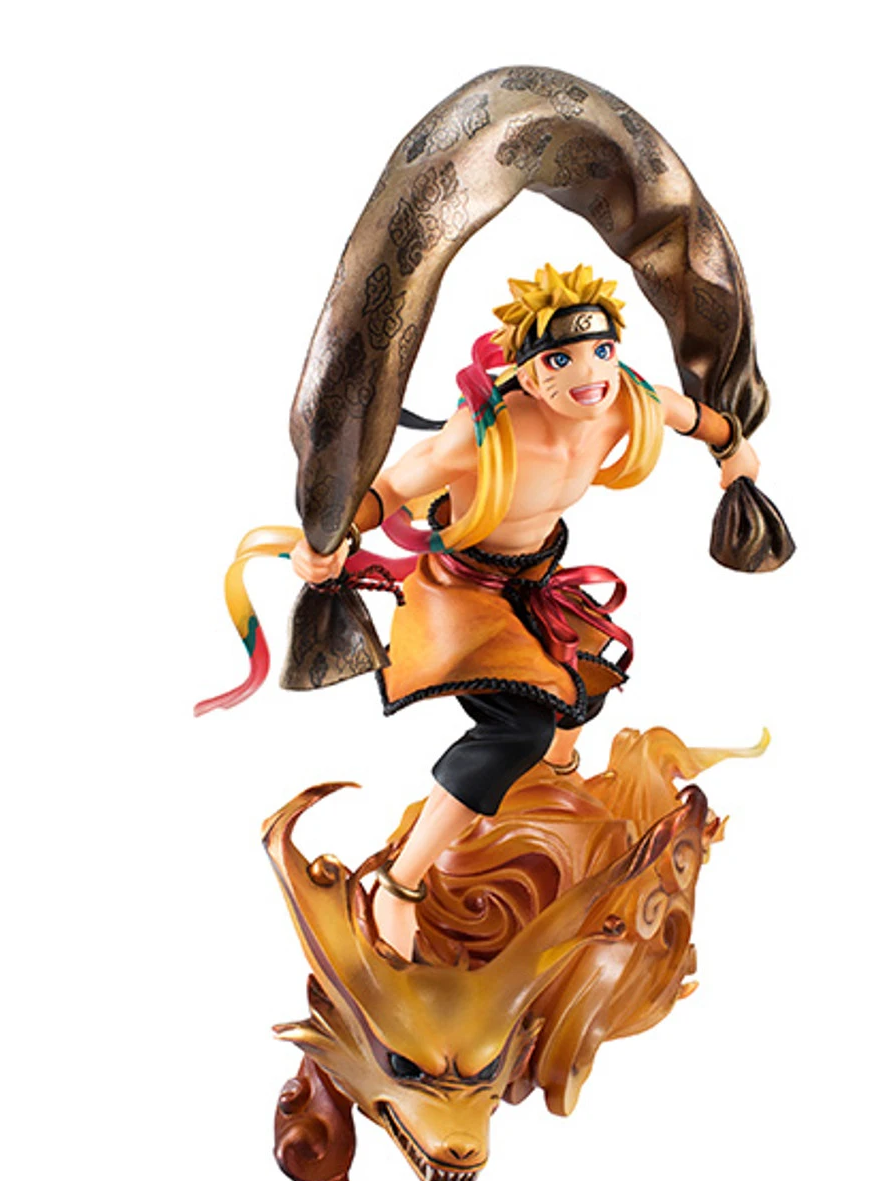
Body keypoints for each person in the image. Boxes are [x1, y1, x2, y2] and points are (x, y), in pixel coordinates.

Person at [288, 264, 759, 957]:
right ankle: (400, 885)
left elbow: (695, 417)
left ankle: (553, 798)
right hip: (462, 590)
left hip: (538, 578)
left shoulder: (628, 402)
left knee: (589, 677)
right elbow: (390, 488)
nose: (589, 374)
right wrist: (329, 542)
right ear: (530, 372)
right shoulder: (480, 434)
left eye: (602, 350)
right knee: (517, 729)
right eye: (562, 360)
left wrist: (734, 449)